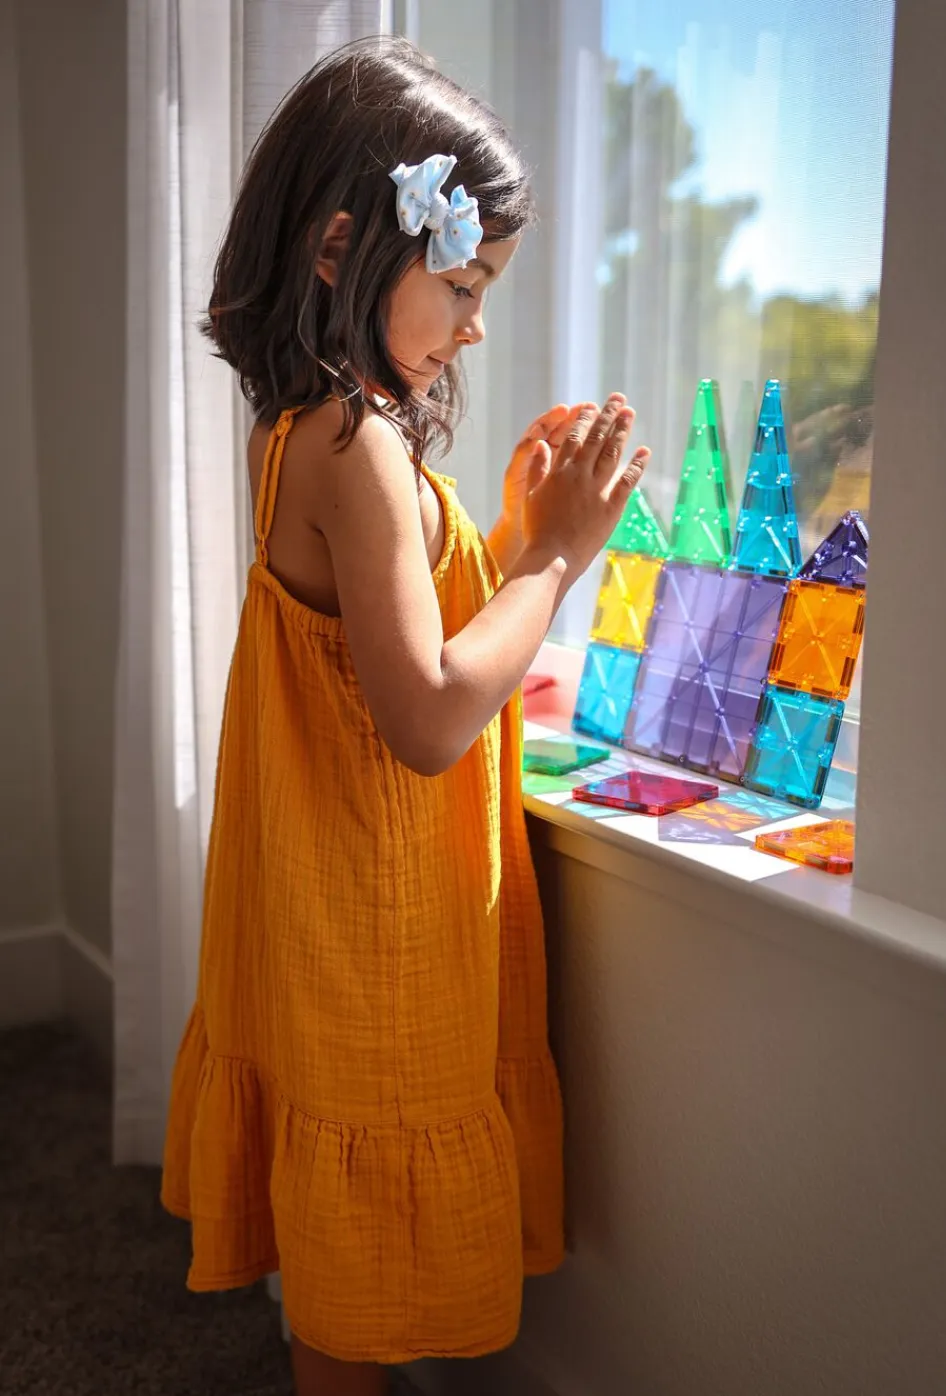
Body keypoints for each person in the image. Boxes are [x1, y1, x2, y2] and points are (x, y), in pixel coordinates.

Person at [160, 35, 648, 1396]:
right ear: (342, 249)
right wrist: (558, 558)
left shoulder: (302, 432)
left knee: (343, 1246)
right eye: (465, 283)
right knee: (360, 1253)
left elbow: (391, 643)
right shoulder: (353, 445)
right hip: (372, 910)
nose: (476, 325)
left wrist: (509, 532)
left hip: (317, 893)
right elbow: (427, 717)